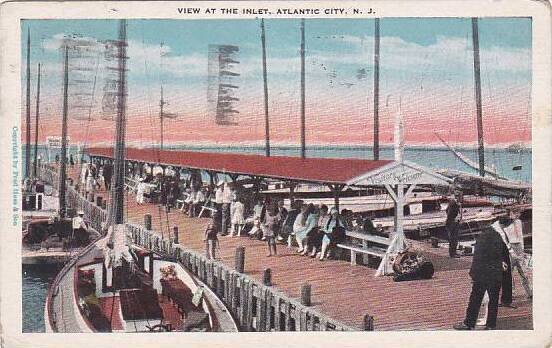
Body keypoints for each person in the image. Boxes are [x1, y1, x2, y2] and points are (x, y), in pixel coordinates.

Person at [453, 221, 509, 330]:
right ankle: (491, 325)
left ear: (482, 224)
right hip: (496, 272)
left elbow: (478, 259)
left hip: (483, 274)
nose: (478, 224)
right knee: (493, 300)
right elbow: (502, 253)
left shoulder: (482, 238)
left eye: (479, 223)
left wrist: (473, 274)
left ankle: (469, 323)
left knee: (475, 298)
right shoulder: (497, 235)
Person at [446, 191, 462, 258]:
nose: (461, 198)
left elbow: (446, 210)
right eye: (460, 196)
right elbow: (449, 212)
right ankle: (452, 253)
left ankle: (453, 252)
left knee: (454, 238)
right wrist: (453, 218)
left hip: (455, 221)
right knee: (453, 238)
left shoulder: (454, 203)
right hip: (453, 222)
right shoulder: (454, 203)